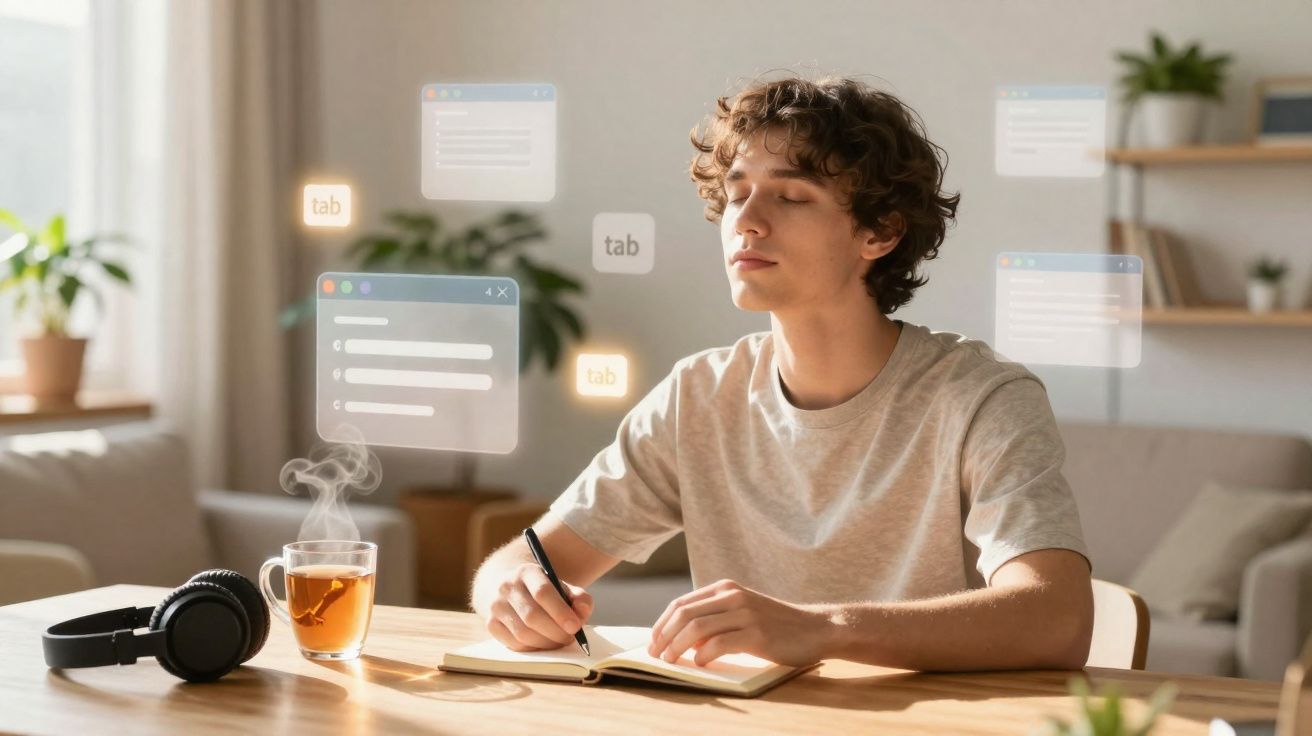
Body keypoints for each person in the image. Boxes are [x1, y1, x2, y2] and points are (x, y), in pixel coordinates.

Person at [470, 75, 1093, 672]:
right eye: (737, 192)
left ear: (880, 231)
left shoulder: (982, 398)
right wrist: (509, 591)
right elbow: (524, 561)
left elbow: (1056, 617)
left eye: (791, 196)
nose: (747, 218)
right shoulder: (699, 396)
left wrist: (820, 631)